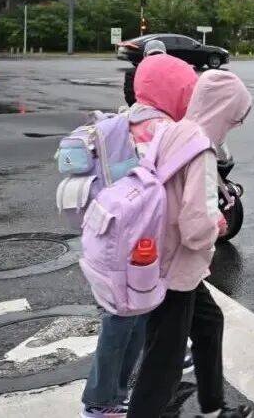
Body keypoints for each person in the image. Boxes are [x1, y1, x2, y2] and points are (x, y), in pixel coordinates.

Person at [127, 69, 253, 418]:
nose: (235, 126)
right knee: (162, 362)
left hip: (164, 257)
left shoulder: (174, 130)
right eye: (235, 118)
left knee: (209, 322)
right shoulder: (201, 150)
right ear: (223, 111)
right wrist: (218, 224)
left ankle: (212, 408)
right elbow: (195, 227)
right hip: (174, 265)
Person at [82, 53, 198, 418]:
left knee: (134, 312)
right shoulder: (165, 131)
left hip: (112, 235)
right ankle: (100, 402)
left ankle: (119, 390)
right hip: (142, 240)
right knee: (123, 319)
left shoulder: (120, 122)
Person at [123, 39, 168, 107]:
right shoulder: (172, 72)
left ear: (145, 55)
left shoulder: (133, 73)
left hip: (140, 112)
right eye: (153, 55)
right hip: (166, 113)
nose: (155, 58)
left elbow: (130, 98)